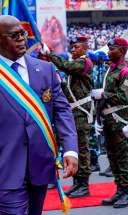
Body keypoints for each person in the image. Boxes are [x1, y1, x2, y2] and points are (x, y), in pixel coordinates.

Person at [0, 15, 78, 215]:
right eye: (14, 35)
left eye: (23, 33)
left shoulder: (46, 69)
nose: (22, 39)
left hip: (40, 165)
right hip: (4, 169)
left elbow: (62, 111)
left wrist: (70, 150)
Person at [45, 36, 93, 198]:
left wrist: (50, 55)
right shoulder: (76, 65)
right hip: (73, 111)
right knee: (73, 147)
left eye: (77, 47)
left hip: (81, 112)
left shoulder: (83, 62)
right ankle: (77, 183)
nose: (73, 49)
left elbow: (66, 66)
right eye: (72, 47)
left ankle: (83, 185)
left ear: (85, 49)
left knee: (81, 148)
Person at [92, 38, 128, 208]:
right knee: (112, 155)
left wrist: (104, 95)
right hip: (108, 118)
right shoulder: (110, 70)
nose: (109, 51)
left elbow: (125, 97)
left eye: (112, 49)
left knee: (123, 156)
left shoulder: (126, 71)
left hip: (119, 118)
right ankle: (119, 189)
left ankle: (126, 192)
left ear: (122, 51)